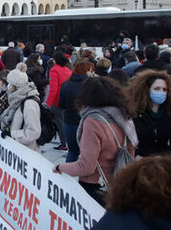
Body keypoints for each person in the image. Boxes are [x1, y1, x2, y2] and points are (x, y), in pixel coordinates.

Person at [55, 77, 137, 206]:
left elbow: (86, 167)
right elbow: (131, 150)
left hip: (95, 185)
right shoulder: (124, 116)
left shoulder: (93, 121)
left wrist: (60, 167)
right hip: (119, 183)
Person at [128, 70, 171, 157]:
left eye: (164, 90)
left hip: (163, 164)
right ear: (147, 90)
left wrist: (164, 156)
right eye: (157, 89)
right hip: (138, 163)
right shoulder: (135, 114)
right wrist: (135, 155)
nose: (161, 92)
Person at [0, 68, 42, 151]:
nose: (8, 86)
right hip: (16, 148)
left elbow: (34, 131)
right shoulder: (17, 98)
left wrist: (13, 135)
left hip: (26, 151)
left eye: (10, 83)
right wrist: (3, 125)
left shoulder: (29, 104)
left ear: (15, 86)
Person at [58, 61, 92, 162]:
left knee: (72, 152)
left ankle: (67, 176)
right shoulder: (91, 85)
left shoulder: (65, 84)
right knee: (87, 155)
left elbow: (61, 105)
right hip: (87, 123)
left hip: (70, 122)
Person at [47, 51, 72, 151]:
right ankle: (69, 142)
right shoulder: (68, 70)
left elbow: (53, 89)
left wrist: (48, 103)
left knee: (60, 122)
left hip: (58, 101)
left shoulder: (54, 70)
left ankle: (63, 144)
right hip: (68, 100)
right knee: (66, 122)